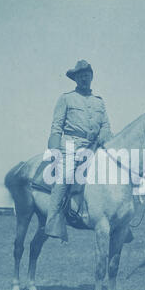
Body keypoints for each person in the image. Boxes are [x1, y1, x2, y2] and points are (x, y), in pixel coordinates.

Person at [45, 60, 113, 241]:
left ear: (92, 76)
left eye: (87, 74)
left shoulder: (99, 102)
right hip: (70, 145)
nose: (84, 78)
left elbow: (106, 126)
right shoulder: (66, 98)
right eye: (80, 75)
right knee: (65, 176)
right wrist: (55, 149)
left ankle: (119, 220)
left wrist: (106, 138)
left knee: (114, 173)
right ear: (75, 79)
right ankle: (53, 222)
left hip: (94, 146)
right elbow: (56, 127)